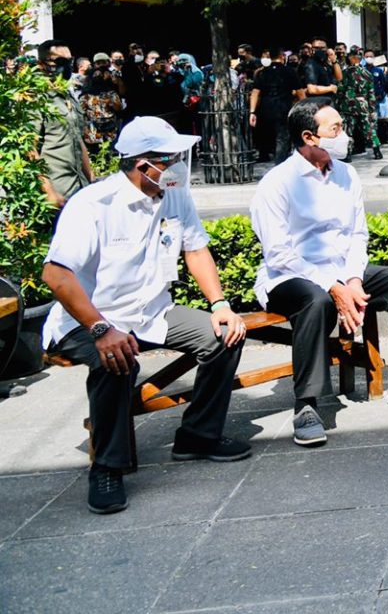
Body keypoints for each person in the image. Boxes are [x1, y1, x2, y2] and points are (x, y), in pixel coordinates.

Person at [41, 117, 250, 514]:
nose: (181, 166)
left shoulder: (173, 193)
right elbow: (56, 275)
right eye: (172, 159)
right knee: (116, 361)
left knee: (224, 336)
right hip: (88, 319)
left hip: (151, 313)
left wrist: (220, 305)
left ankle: (198, 435)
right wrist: (101, 329)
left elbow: (195, 249)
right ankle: (107, 468)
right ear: (143, 164)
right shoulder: (94, 204)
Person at [250, 100, 388, 446]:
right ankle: (306, 405)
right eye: (336, 129)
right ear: (309, 137)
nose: (345, 135)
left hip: (342, 271)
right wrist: (333, 286)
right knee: (316, 301)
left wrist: (353, 279)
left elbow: (358, 234)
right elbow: (279, 252)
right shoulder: (277, 183)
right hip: (289, 277)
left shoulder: (346, 174)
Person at [34, 39, 93, 210]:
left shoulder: (67, 94)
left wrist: (90, 176)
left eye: (69, 61)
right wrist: (49, 191)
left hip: (79, 187)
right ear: (42, 64)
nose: (66, 65)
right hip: (57, 191)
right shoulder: (36, 98)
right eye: (60, 61)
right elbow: (29, 148)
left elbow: (77, 137)